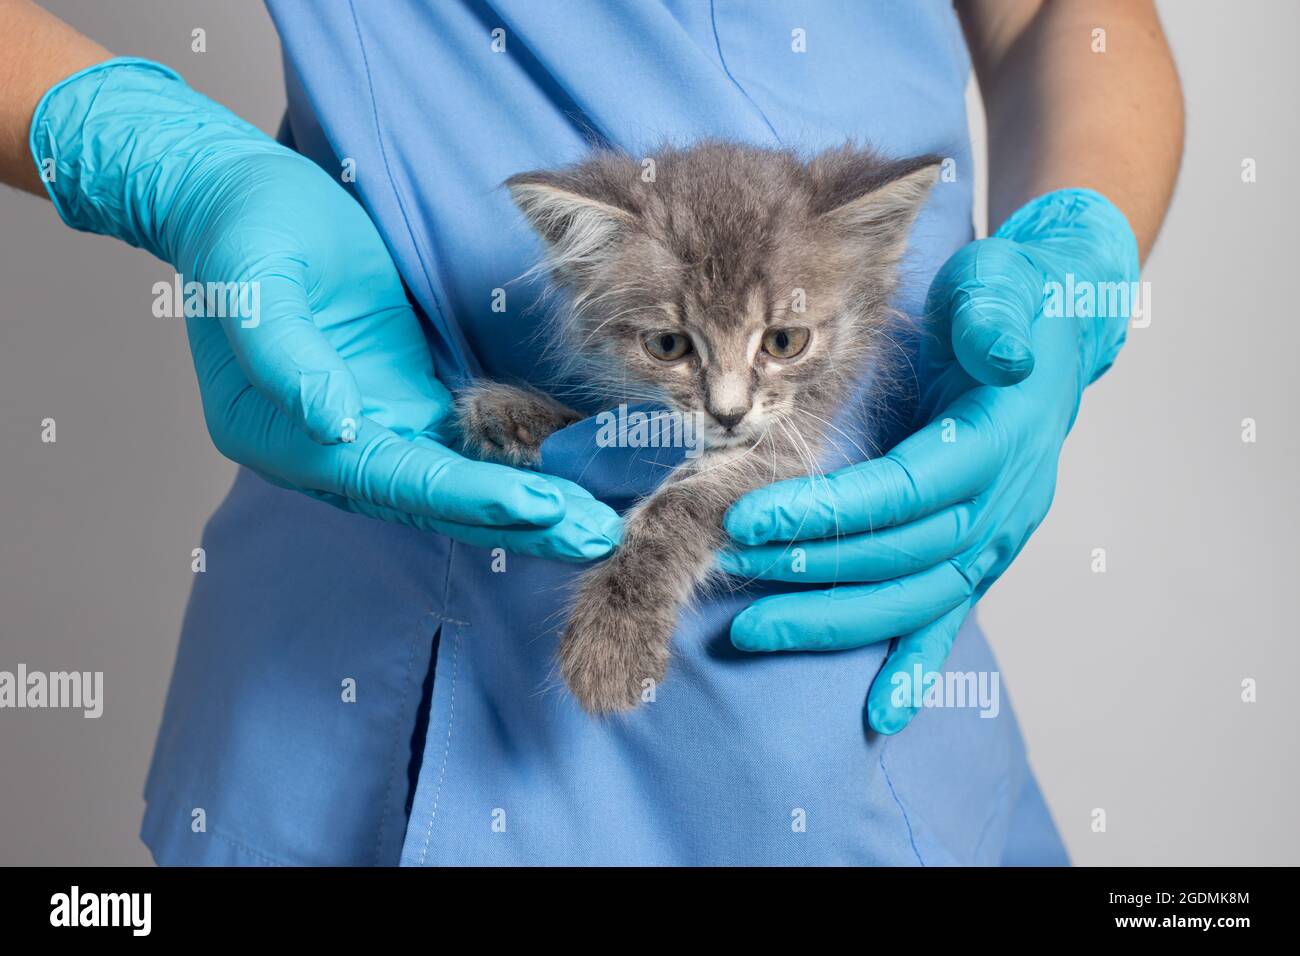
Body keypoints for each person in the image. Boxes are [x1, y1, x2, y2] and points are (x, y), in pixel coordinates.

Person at [0, 0, 1182, 865]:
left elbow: (1053, 21)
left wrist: (1070, 262)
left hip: (814, 663)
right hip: (353, 586)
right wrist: (150, 150)